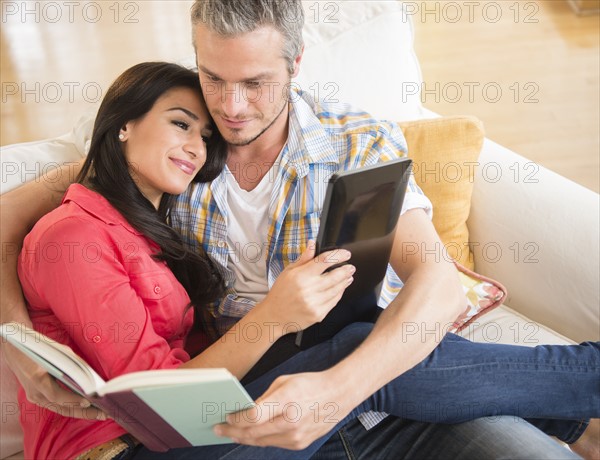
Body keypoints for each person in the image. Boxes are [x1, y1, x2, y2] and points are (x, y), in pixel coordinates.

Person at [1, 1, 598, 458]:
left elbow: (437, 285)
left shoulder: (355, 142)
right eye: (214, 77)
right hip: (246, 399)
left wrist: (339, 392)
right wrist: (17, 339)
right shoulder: (172, 144)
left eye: (256, 83)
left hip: (383, 382)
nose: (231, 107)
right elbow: (11, 224)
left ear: (296, 64)